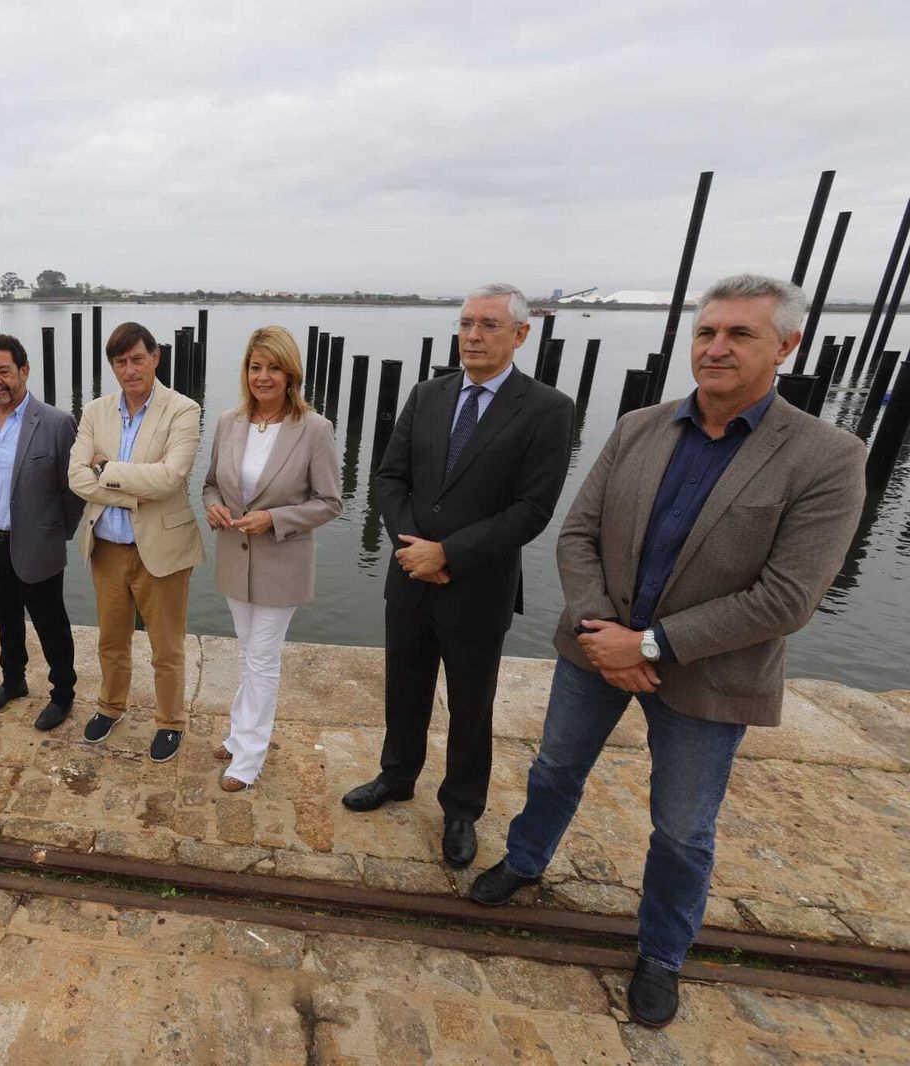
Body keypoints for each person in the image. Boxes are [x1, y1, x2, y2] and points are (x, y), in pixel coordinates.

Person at [470, 274, 867, 1028]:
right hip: (595, 648)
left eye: (739, 335)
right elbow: (578, 535)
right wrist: (601, 635)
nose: (716, 348)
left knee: (683, 827)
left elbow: (788, 598)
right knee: (554, 767)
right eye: (707, 332)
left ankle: (661, 952)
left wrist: (647, 644)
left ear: (788, 345)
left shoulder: (826, 457)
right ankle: (524, 860)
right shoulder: (640, 427)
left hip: (710, 672)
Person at [342, 283, 575, 870]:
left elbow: (532, 509)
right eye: (466, 323)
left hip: (478, 585)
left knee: (473, 705)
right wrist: (413, 548)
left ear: (521, 334)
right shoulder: (428, 394)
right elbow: (390, 479)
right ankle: (397, 776)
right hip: (410, 574)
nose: (472, 335)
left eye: (489, 325)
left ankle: (462, 808)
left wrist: (447, 552)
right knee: (404, 685)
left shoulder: (547, 409)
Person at [202, 326, 340, 791]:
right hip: (235, 557)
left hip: (282, 562)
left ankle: (250, 756)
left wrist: (274, 519)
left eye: (273, 368)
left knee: (262, 657)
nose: (263, 377)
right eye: (255, 366)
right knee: (247, 652)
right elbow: (210, 484)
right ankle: (241, 734)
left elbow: (329, 501)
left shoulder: (314, 429)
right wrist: (213, 507)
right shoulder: (229, 421)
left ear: (290, 373)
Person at [68, 322, 204, 762]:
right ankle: (111, 706)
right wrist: (131, 486)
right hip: (106, 548)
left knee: (167, 647)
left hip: (161, 553)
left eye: (137, 359)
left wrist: (105, 467)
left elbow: (170, 479)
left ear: (156, 357)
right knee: (111, 639)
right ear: (112, 366)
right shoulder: (95, 411)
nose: (130, 370)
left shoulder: (183, 410)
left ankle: (170, 721)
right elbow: (75, 477)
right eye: (120, 362)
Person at [0, 334, 85, 731]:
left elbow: (74, 489)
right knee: (5, 618)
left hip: (38, 543)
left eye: (4, 371)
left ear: (24, 371)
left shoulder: (56, 422)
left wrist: (55, 531)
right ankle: (13, 681)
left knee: (51, 623)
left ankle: (62, 693)